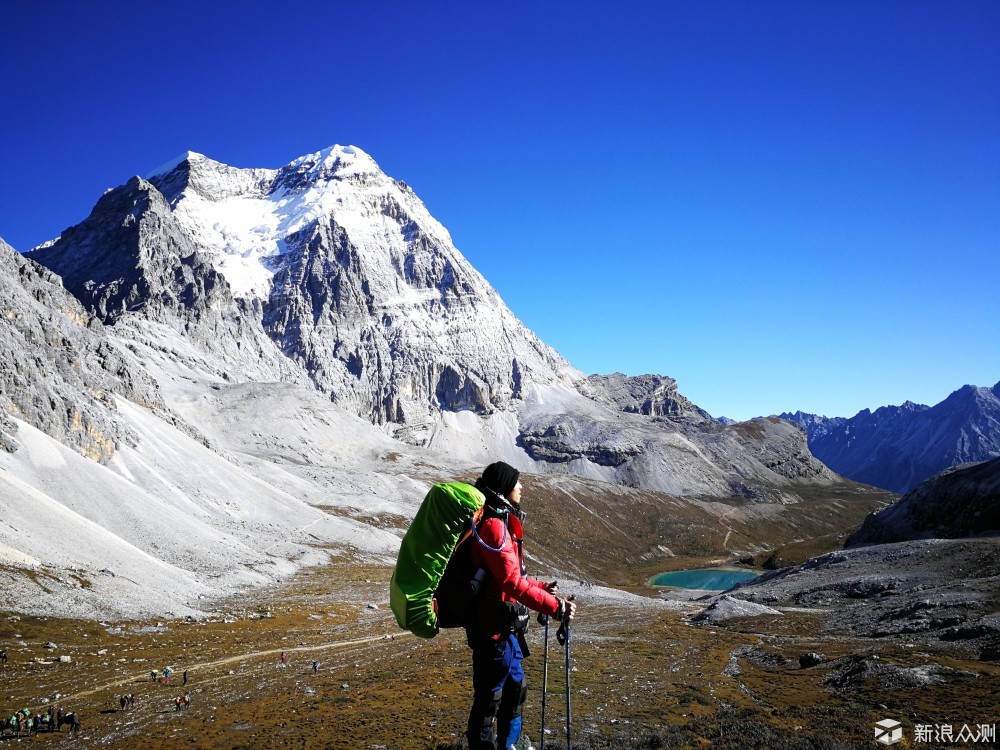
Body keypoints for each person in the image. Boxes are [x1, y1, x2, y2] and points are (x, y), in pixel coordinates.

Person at [464, 461, 576, 750]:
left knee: (514, 692)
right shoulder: (493, 528)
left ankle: (508, 745)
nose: (521, 488)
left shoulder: (498, 524)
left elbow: (508, 578)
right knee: (490, 701)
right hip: (493, 635)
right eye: (517, 483)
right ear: (503, 489)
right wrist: (556, 607)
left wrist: (540, 589)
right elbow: (512, 583)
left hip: (506, 632)